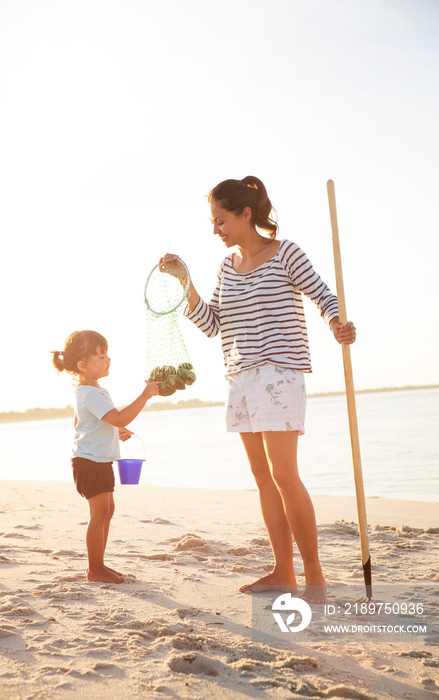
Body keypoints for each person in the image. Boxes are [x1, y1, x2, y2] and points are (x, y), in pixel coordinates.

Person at [160, 176, 356, 602]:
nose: (216, 229)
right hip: (240, 377)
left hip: (279, 373)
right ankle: (283, 571)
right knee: (263, 477)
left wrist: (337, 324)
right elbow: (212, 324)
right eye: (212, 222)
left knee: (285, 475)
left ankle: (315, 575)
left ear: (246, 214)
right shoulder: (227, 266)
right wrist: (184, 281)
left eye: (221, 219)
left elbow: (324, 296)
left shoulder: (286, 253)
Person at [52, 330, 159, 584]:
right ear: (82, 365)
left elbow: (83, 422)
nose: (107, 360)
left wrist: (115, 428)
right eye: (100, 356)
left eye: (107, 354)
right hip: (90, 462)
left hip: (98, 460)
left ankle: (99, 564)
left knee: (107, 511)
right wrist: (144, 396)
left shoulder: (91, 391)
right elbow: (119, 416)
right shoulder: (90, 393)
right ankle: (95, 568)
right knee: (98, 514)